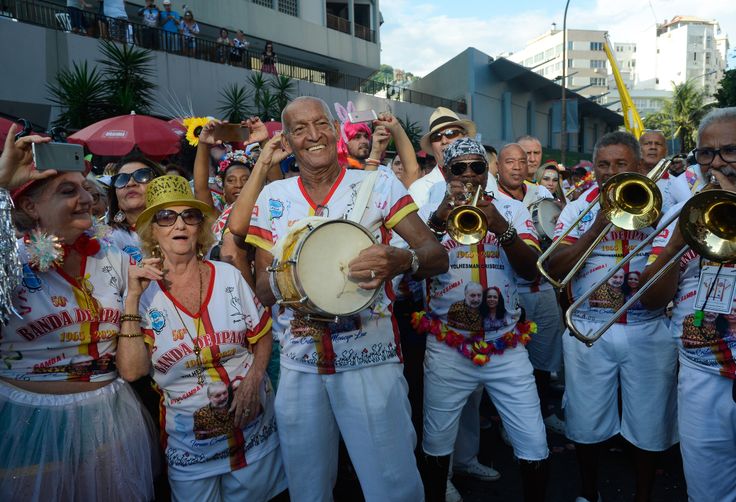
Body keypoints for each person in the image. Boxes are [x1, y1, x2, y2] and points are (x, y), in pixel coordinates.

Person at [231, 96, 448, 501]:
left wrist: (399, 259)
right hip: (300, 367)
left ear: (336, 129)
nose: (313, 135)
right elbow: (262, 289)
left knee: (392, 484)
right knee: (307, 488)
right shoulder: (272, 198)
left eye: (321, 124)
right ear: (288, 142)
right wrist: (297, 278)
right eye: (299, 129)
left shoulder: (378, 183)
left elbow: (436, 256)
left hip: (370, 359)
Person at [0, 124, 158, 501]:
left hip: (112, 418)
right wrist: (1, 183)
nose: (86, 199)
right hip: (28, 426)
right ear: (29, 206)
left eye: (85, 189)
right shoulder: (12, 262)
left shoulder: (115, 258)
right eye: (67, 191)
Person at [117, 175, 287, 500]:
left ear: (199, 227)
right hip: (191, 450)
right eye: (166, 217)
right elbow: (132, 371)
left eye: (189, 215)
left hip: (255, 437)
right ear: (152, 230)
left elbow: (262, 335)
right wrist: (131, 300)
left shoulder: (228, 276)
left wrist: (253, 381)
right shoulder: (144, 294)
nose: (179, 224)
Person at [545, 131, 678, 502]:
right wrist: (598, 224)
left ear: (638, 166)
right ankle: (589, 493)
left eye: (621, 164)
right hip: (588, 328)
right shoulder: (576, 208)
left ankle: (643, 496)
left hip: (647, 328)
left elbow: (663, 290)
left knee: (649, 424)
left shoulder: (663, 205)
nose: (611, 171)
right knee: (585, 423)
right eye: (603, 164)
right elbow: (555, 268)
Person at [417, 137, 548, 502]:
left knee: (533, 439)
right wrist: (439, 220)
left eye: (478, 167)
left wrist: (501, 226)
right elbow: (415, 269)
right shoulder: (429, 208)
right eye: (461, 168)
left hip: (506, 345)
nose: (471, 175)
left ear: (488, 172)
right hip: (447, 345)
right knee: (437, 437)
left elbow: (530, 272)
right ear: (445, 172)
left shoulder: (511, 209)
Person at [639, 106, 736, 502]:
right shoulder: (684, 212)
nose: (717, 163)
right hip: (699, 376)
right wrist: (677, 241)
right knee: (708, 493)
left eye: (732, 151)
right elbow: (651, 299)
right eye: (706, 154)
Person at [496, 142, 566, 435]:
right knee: (510, 362)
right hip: (509, 291)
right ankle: (509, 424)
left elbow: (556, 230)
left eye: (521, 161)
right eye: (509, 161)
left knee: (544, 357)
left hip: (542, 287)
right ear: (498, 167)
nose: (515, 166)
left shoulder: (543, 194)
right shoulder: (490, 200)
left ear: (529, 167)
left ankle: (544, 411)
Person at [105, 153, 165, 263]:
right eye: (121, 179)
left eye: (142, 175)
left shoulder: (181, 227)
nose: (130, 183)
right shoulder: (106, 239)